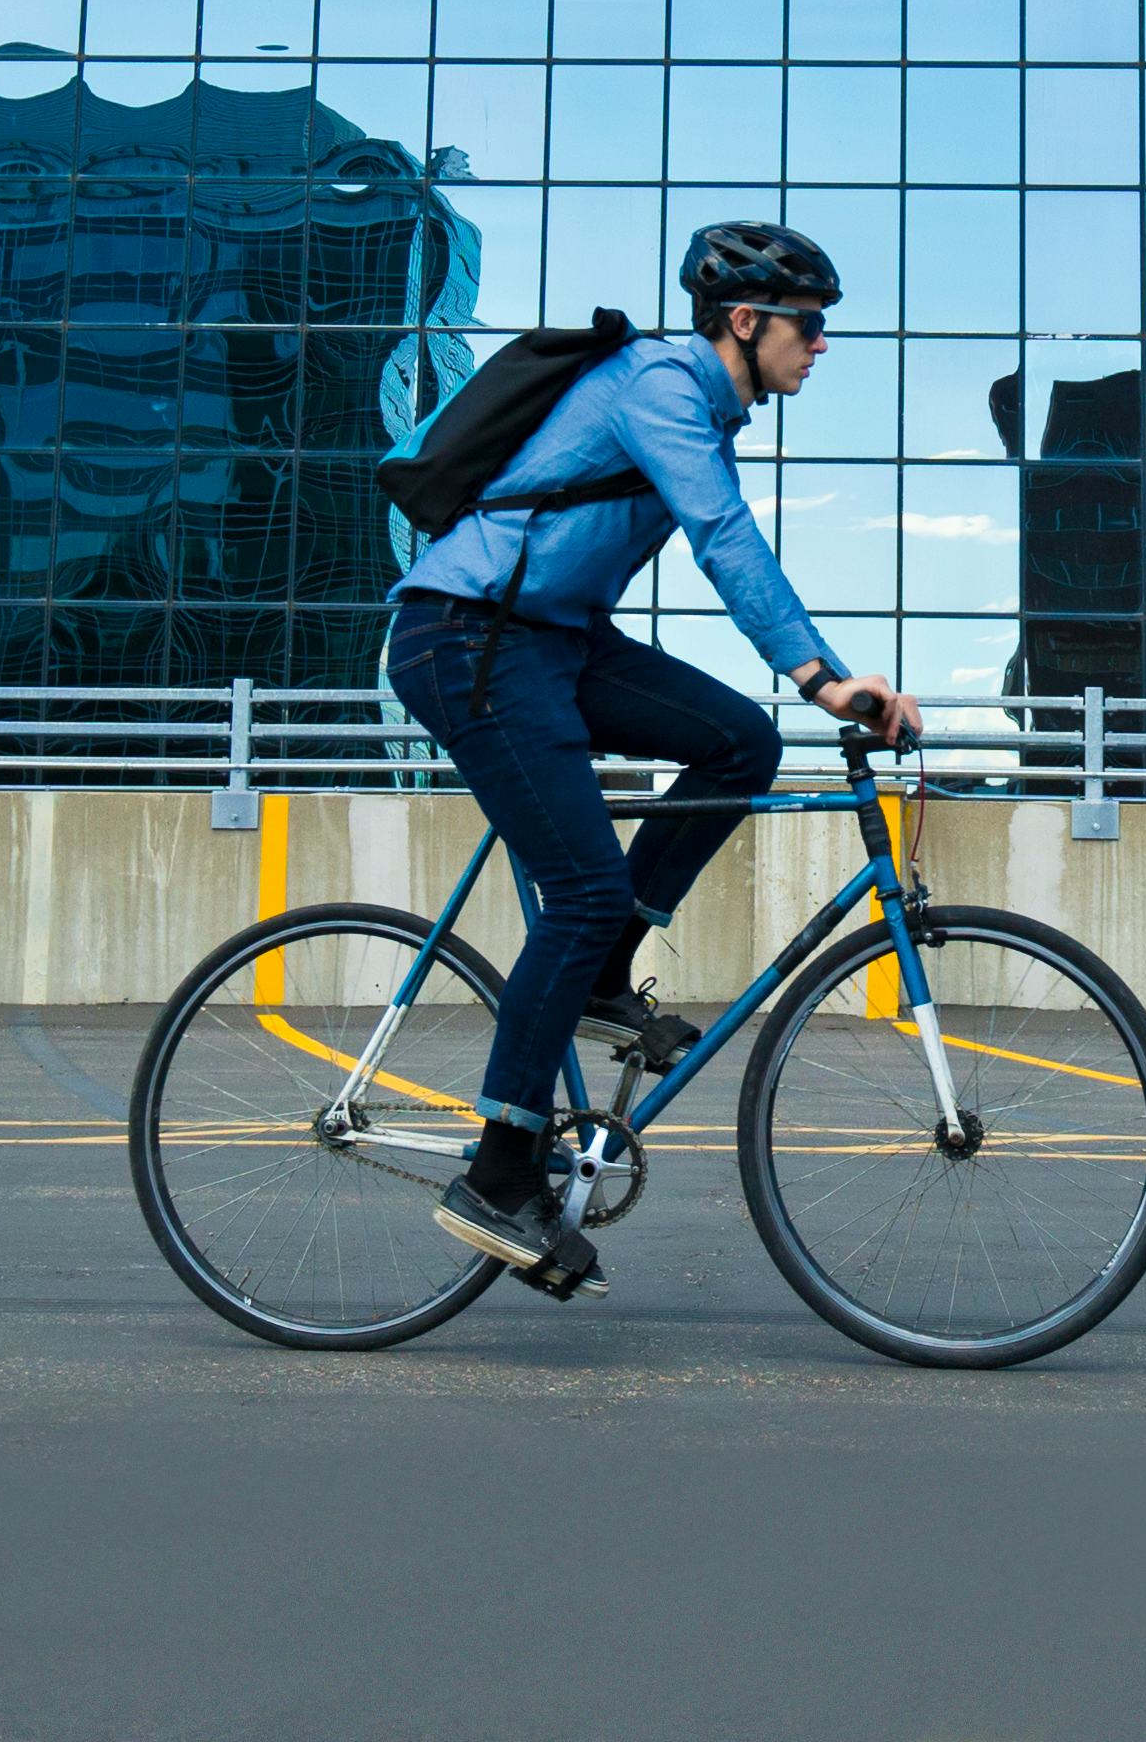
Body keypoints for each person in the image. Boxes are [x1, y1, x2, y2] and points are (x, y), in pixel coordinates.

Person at [384, 219, 923, 1299]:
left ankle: (594, 969)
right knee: (581, 891)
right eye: (808, 324)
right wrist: (824, 676)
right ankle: (496, 1175)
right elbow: (725, 537)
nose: (820, 344)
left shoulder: (700, 408)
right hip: (469, 637)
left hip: (551, 640)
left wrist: (798, 688)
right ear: (743, 322)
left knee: (741, 740)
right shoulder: (663, 385)